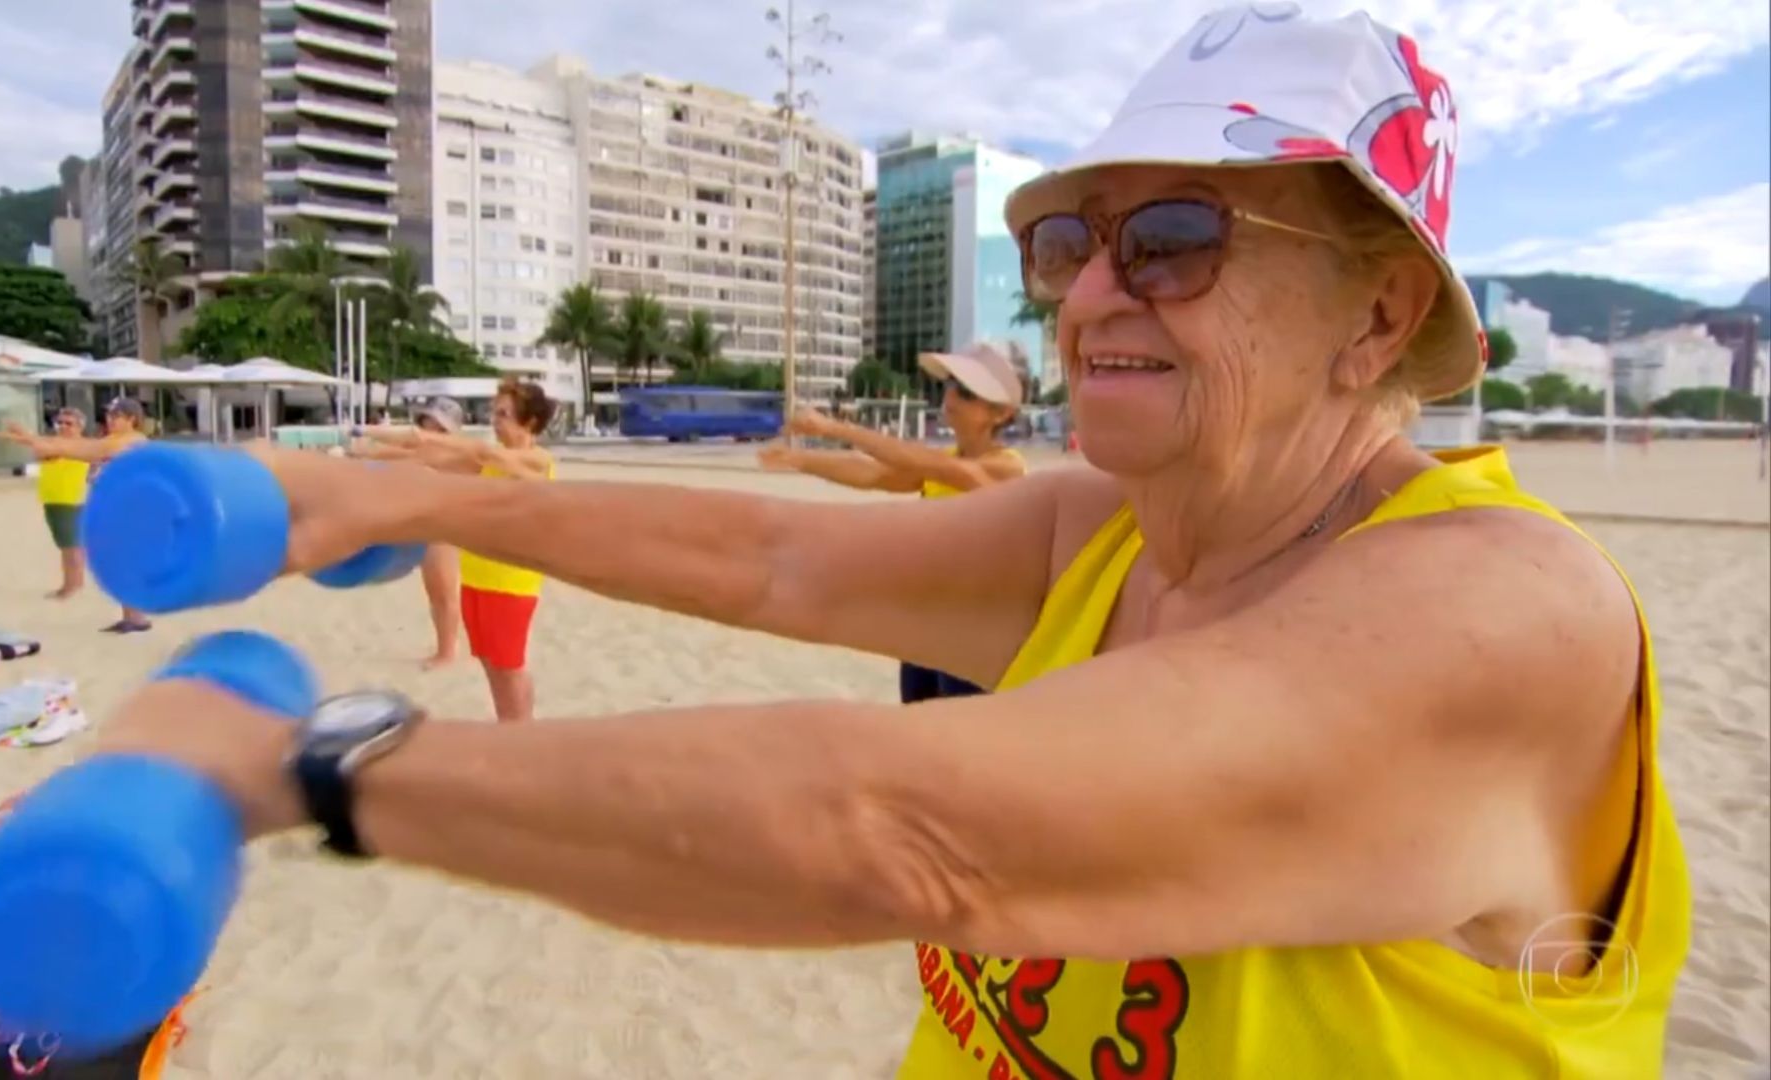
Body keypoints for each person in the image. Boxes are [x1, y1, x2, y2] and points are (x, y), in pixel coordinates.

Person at [98, 10, 1688, 1076]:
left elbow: (915, 836)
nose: (1084, 295)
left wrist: (298, 769)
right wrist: (420, 500)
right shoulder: (1107, 533)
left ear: (1381, 312)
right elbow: (765, 563)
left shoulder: (1500, 606)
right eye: (1067, 241)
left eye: (1176, 240)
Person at [761, 341, 1028, 702]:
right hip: (928, 619)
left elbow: (926, 464)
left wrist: (835, 429)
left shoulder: (1005, 467)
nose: (951, 397)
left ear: (1001, 413)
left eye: (965, 392)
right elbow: (873, 474)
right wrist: (799, 460)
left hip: (974, 625)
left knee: (961, 735)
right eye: (949, 386)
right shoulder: (945, 460)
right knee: (919, 720)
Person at [360, 380, 556, 721]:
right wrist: (362, 451)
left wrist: (429, 437)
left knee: (509, 667)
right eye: (494, 412)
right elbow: (426, 457)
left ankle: (520, 736)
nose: (495, 420)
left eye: (504, 414)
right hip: (477, 579)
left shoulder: (537, 459)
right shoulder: (488, 464)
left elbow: (481, 452)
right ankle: (510, 729)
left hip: (510, 584)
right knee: (491, 664)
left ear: (531, 422)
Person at [0, 397, 153, 633]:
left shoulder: (133, 440)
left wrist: (33, 439)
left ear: (132, 419)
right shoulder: (114, 439)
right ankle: (132, 617)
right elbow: (72, 447)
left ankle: (137, 618)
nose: (109, 419)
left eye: (116, 416)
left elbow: (80, 449)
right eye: (109, 415)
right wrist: (29, 438)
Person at [350, 398, 470, 670]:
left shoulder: (456, 452)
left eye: (440, 427)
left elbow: (406, 453)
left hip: (444, 525)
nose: (431, 430)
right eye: (429, 423)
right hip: (418, 522)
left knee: (444, 590)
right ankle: (445, 648)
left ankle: (447, 652)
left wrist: (366, 444)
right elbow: (399, 447)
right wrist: (363, 439)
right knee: (434, 590)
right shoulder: (418, 445)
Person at [29, 407, 91, 600]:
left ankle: (71, 585)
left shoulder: (81, 445)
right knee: (66, 545)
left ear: (79, 427)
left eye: (68, 423)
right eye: (60, 423)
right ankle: (74, 582)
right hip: (52, 498)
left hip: (69, 500)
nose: (63, 426)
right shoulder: (54, 443)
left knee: (70, 546)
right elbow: (40, 455)